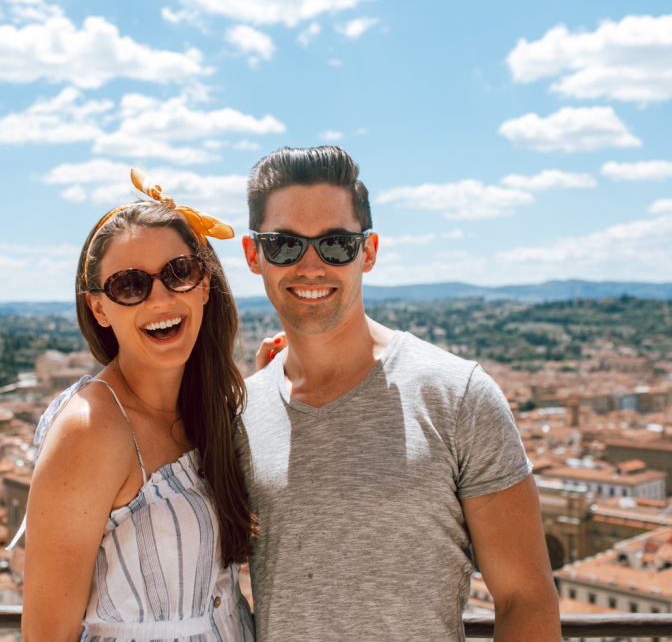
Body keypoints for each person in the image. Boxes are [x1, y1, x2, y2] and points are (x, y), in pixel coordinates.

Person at [237, 146, 561, 641]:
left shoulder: (459, 397)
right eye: (284, 244)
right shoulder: (242, 412)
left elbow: (527, 599)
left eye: (336, 244)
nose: (310, 265)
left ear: (367, 252)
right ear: (254, 255)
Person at [17, 169, 256, 642]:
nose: (161, 298)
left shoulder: (211, 410)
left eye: (179, 272)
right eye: (130, 285)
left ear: (204, 284)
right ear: (99, 309)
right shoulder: (90, 431)